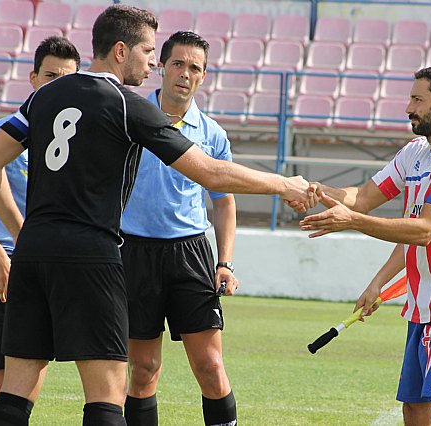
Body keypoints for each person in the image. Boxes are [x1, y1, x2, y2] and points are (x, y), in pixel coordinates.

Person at [0, 5, 312, 425]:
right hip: (92, 256)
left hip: (34, 253)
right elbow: (208, 171)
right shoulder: (126, 103)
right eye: (149, 51)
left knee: (16, 388)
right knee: (107, 396)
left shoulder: (44, 95)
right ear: (120, 50)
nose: (153, 62)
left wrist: (22, 233)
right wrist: (284, 184)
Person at [299, 66, 431, 426]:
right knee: (416, 409)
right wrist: (316, 191)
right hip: (422, 303)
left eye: (418, 100)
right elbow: (361, 198)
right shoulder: (415, 152)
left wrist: (352, 221)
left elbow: (424, 229)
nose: (408, 108)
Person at [120, 31, 238, 426]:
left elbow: (223, 202)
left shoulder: (212, 135)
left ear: (204, 76)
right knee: (143, 370)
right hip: (134, 253)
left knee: (209, 366)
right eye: (177, 64)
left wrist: (225, 262)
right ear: (161, 67)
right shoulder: (129, 120)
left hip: (189, 254)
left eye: (194, 68)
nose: (184, 74)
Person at [0, 36, 81, 423]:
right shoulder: (3, 134)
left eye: (65, 80)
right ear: (32, 78)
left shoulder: (75, 141)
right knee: (9, 372)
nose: (55, 86)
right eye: (49, 76)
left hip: (54, 263)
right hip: (9, 265)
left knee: (33, 365)